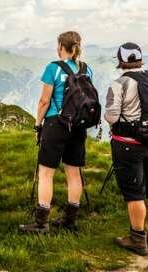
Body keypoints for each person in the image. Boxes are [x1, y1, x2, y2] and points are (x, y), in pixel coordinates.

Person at [19, 31, 93, 233]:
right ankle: (70, 220)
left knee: (46, 173)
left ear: (61, 47)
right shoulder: (86, 69)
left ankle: (41, 222)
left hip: (56, 124)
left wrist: (37, 125)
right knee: (74, 173)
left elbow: (44, 100)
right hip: (78, 125)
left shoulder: (53, 68)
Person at [105, 42, 148, 255]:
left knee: (134, 193)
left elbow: (112, 116)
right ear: (140, 59)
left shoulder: (119, 84)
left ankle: (137, 239)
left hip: (129, 146)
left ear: (120, 60)